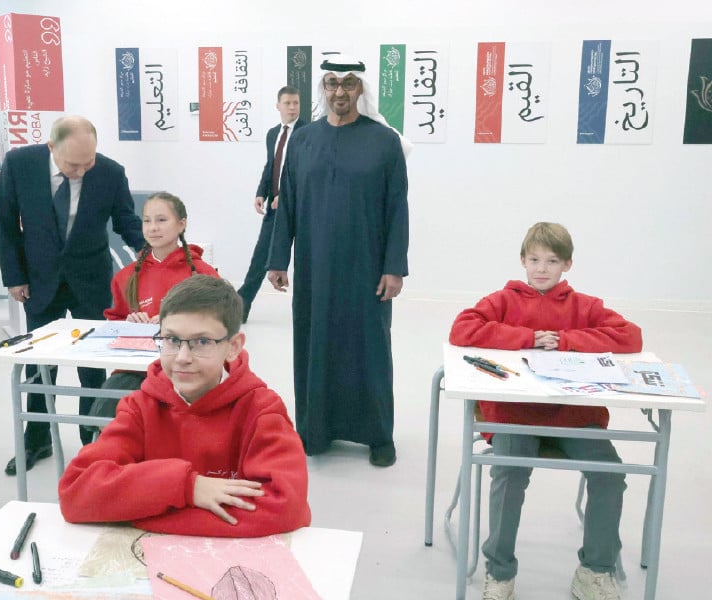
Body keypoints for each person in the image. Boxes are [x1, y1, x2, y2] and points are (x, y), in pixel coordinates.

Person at [448, 222, 643, 600]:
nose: (542, 269)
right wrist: (529, 338)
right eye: (534, 259)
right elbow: (463, 328)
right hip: (514, 415)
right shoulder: (503, 300)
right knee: (510, 472)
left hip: (573, 417)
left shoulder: (584, 306)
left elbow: (630, 336)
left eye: (552, 261)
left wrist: (567, 341)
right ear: (522, 260)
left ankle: (595, 571)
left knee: (610, 474)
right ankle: (500, 571)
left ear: (567, 265)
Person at [58, 275, 312, 537]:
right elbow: (76, 492)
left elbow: (286, 508)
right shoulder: (139, 407)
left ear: (233, 347)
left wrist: (138, 511)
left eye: (202, 342)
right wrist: (187, 487)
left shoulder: (261, 411)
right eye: (171, 340)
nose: (182, 357)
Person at [267, 53, 410, 467]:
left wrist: (394, 266)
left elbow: (397, 207)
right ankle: (316, 430)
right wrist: (279, 258)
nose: (340, 92)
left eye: (348, 84)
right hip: (314, 266)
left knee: (370, 347)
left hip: (366, 266)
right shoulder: (304, 139)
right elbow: (287, 203)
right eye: (331, 83)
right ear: (322, 89)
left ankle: (378, 435)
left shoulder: (385, 141)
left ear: (361, 88)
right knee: (315, 344)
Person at [0, 115, 144, 475]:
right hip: (39, 278)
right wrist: (14, 276)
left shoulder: (109, 172)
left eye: (88, 162)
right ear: (51, 148)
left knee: (93, 363)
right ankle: (38, 437)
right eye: (73, 164)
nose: (81, 171)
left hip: (90, 279)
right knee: (39, 362)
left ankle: (92, 437)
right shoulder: (20, 164)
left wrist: (150, 250)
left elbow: (125, 220)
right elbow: (5, 220)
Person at [88, 191, 218, 423]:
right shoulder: (126, 276)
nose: (153, 228)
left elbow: (220, 326)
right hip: (136, 369)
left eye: (161, 220)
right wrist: (128, 323)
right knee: (107, 408)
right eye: (147, 221)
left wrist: (177, 325)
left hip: (188, 368)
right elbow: (114, 320)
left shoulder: (203, 274)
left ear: (181, 224)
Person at [237, 86, 306, 322]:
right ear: (278, 106)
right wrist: (261, 193)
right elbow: (271, 166)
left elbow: (305, 172)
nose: (292, 107)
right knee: (261, 256)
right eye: (287, 103)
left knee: (307, 260)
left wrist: (286, 195)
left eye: (296, 103)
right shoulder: (272, 134)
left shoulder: (309, 133)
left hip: (303, 207)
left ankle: (308, 311)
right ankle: (241, 306)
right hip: (275, 209)